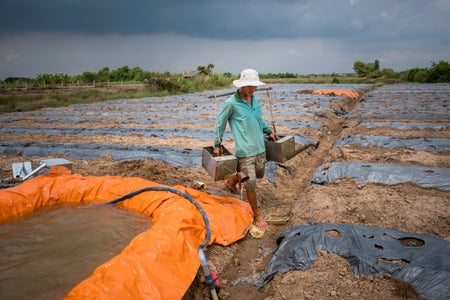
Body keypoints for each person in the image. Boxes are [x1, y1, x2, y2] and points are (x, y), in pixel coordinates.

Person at [213, 68, 277, 230]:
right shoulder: (230, 103)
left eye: (254, 86)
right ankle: (257, 216)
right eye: (248, 85)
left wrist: (268, 132)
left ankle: (231, 181)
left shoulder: (254, 100)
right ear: (241, 85)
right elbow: (219, 123)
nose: (251, 89)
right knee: (251, 184)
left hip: (260, 147)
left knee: (259, 173)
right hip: (245, 150)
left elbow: (259, 119)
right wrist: (217, 144)